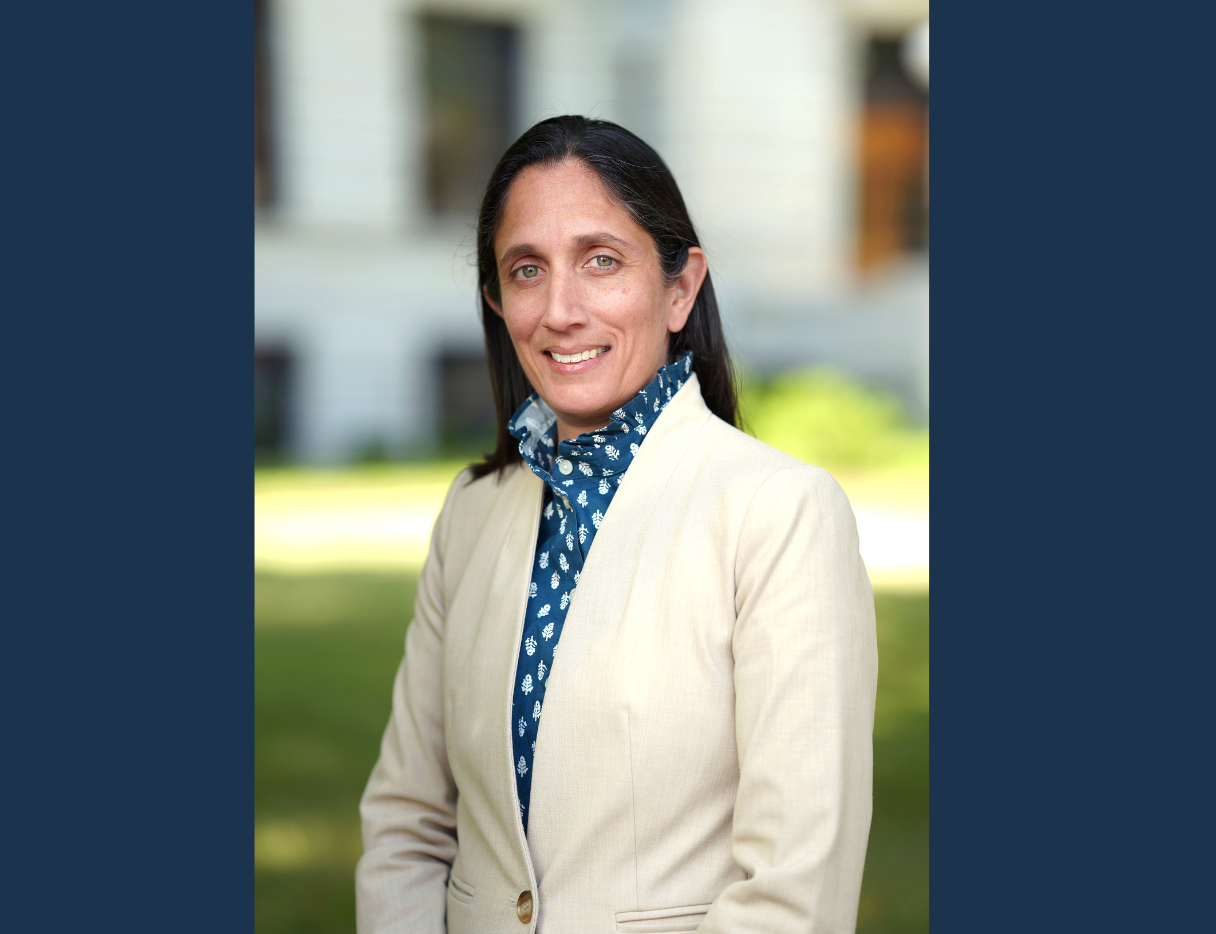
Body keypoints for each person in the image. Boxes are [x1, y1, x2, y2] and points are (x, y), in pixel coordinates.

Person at [357, 116, 877, 934]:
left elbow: (792, 891)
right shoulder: (472, 511)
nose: (560, 309)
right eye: (527, 270)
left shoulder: (779, 514)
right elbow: (406, 826)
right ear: (497, 300)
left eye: (601, 261)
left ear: (680, 288)